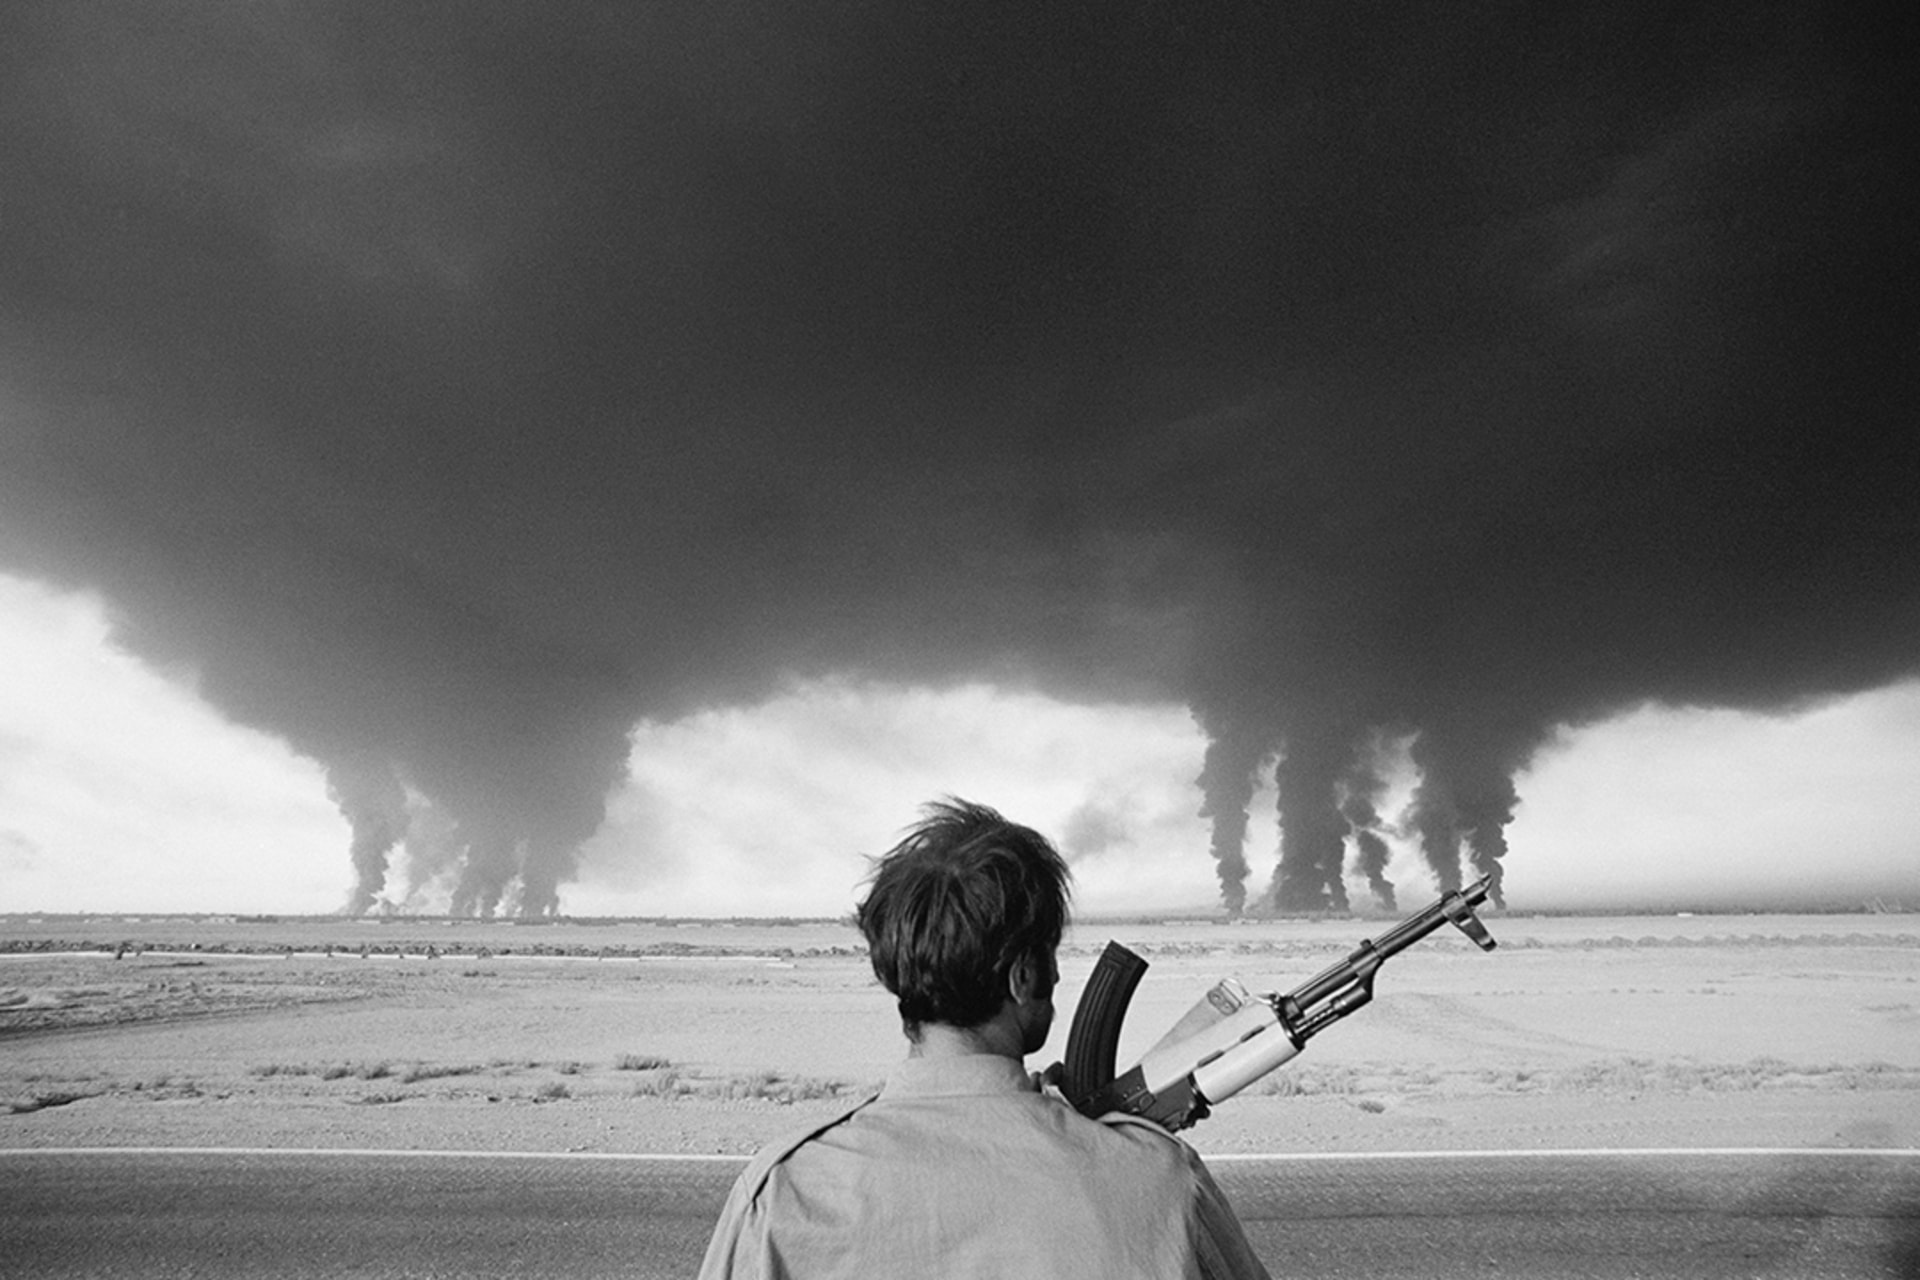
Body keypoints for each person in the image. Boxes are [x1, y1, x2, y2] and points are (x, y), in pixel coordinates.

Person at [698, 798, 1271, 1280]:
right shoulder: (1160, 1177)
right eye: (1049, 955)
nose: (1058, 976)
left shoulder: (785, 1189)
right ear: (1022, 976)